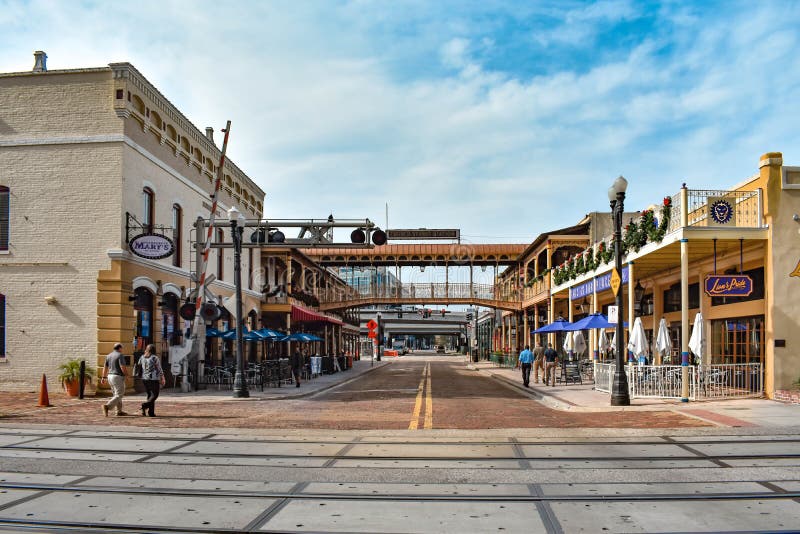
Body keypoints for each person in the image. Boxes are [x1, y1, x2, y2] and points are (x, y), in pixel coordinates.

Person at [138, 344, 165, 417]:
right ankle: (145, 405)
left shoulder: (142, 357)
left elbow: (139, 365)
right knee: (155, 395)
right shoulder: (154, 358)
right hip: (153, 379)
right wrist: (162, 378)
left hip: (144, 379)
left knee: (150, 395)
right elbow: (159, 369)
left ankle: (151, 412)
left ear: (147, 349)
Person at [101, 343, 128, 416]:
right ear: (119, 348)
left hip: (110, 376)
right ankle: (107, 406)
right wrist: (126, 375)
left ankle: (119, 411)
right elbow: (122, 366)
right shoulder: (120, 355)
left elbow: (105, 367)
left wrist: (103, 377)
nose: (122, 350)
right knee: (119, 394)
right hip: (117, 377)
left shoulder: (108, 355)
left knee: (116, 394)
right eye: (122, 348)